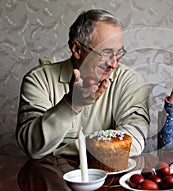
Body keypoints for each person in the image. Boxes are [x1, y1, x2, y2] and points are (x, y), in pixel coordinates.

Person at [16, 9, 150, 159]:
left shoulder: (130, 81)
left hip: (109, 178)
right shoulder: (39, 79)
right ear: (77, 49)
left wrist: (59, 150)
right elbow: (31, 147)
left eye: (118, 53)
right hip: (53, 178)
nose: (114, 64)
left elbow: (134, 142)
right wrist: (70, 104)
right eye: (106, 53)